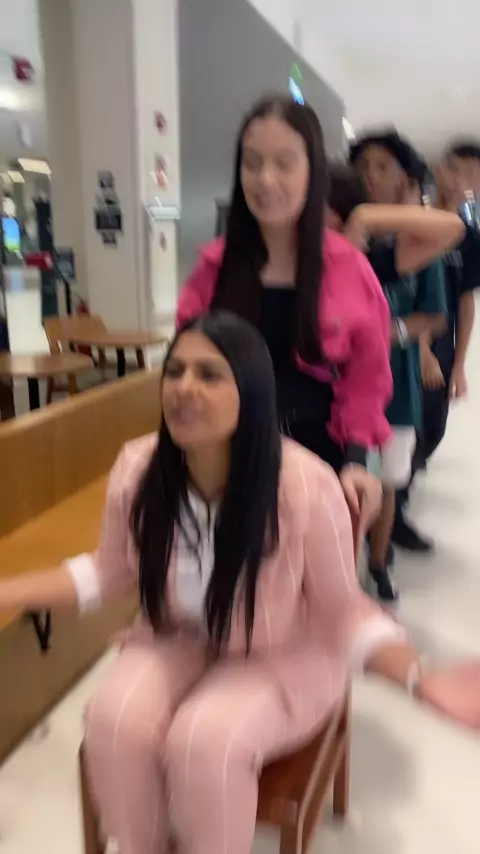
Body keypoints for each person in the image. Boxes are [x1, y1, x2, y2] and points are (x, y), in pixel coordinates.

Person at [1, 311, 478, 854]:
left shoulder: (303, 485)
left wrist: (419, 676)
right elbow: (109, 571)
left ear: (249, 392)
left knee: (204, 742)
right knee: (113, 724)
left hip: (281, 651)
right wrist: (10, 590)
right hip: (178, 635)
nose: (184, 388)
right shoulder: (139, 468)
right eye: (175, 371)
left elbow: (341, 610)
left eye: (209, 375)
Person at [177, 94, 393, 528]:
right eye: (252, 163)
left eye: (284, 163)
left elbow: (366, 379)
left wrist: (356, 461)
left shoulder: (349, 269)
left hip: (318, 462)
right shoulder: (213, 268)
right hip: (225, 461)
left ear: (313, 172)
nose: (266, 179)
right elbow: (186, 368)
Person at [349, 132, 464, 601]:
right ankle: (341, 570)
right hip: (342, 393)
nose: (370, 176)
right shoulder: (343, 239)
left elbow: (434, 315)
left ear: (405, 180)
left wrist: (387, 333)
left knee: (390, 480)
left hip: (396, 388)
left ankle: (378, 563)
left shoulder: (418, 246)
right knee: (345, 481)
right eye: (363, 167)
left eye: (382, 166)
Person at [393, 146, 480, 551]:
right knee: (406, 427)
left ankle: (398, 494)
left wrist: (459, 363)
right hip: (409, 341)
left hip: (443, 344)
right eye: (457, 170)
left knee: (433, 427)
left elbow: (465, 301)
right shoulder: (416, 223)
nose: (463, 181)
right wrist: (423, 349)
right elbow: (410, 291)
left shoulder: (468, 237)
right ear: (440, 170)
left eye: (473, 175)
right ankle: (392, 513)